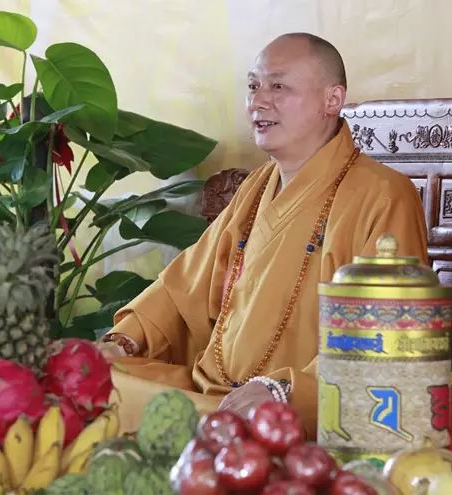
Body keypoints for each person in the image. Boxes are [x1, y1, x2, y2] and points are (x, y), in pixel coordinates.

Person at [98, 32, 428, 437]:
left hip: (294, 407)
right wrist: (125, 340)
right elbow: (184, 286)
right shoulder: (256, 187)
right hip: (212, 391)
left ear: (332, 99)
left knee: (155, 417)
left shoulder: (384, 196)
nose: (258, 101)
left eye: (278, 87)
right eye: (253, 86)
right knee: (100, 378)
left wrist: (284, 391)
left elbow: (386, 337)